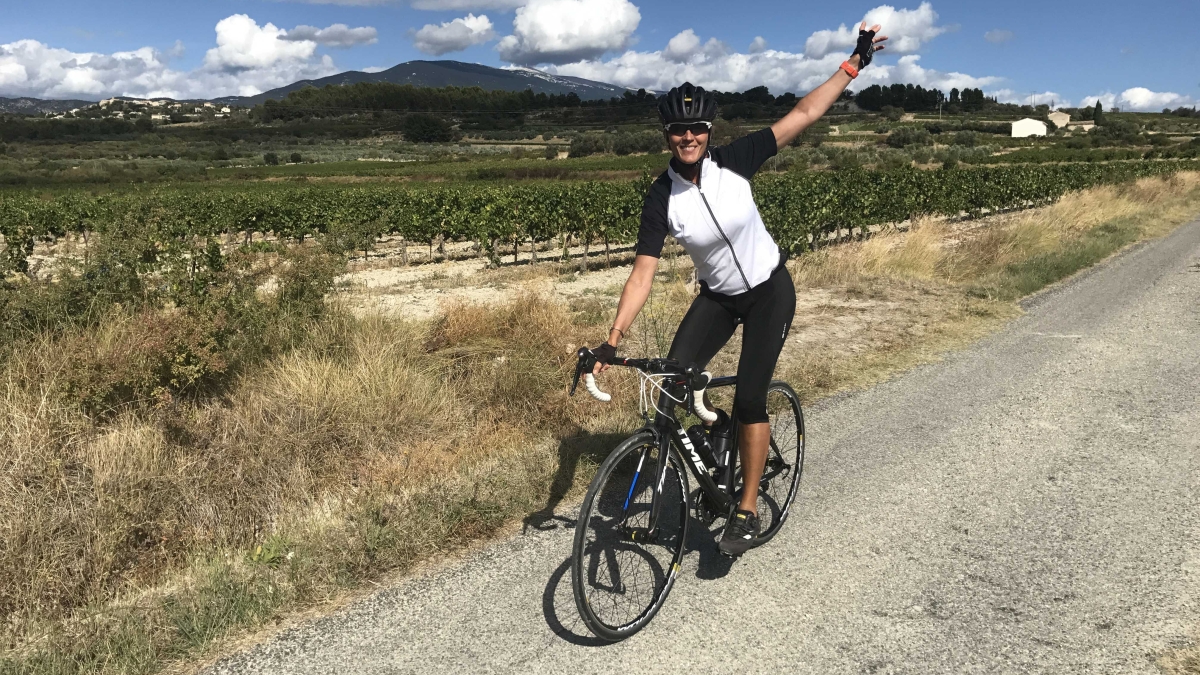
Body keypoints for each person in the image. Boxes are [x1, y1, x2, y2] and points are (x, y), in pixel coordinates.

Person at [590, 23, 888, 556]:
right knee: (668, 389)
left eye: (697, 128)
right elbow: (642, 273)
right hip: (719, 299)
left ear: (708, 130)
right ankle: (701, 456)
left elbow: (803, 114)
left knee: (751, 396)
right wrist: (612, 340)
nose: (689, 138)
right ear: (666, 135)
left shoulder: (735, 161)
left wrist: (852, 65)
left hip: (770, 291)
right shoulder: (662, 197)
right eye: (679, 131)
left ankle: (746, 510)